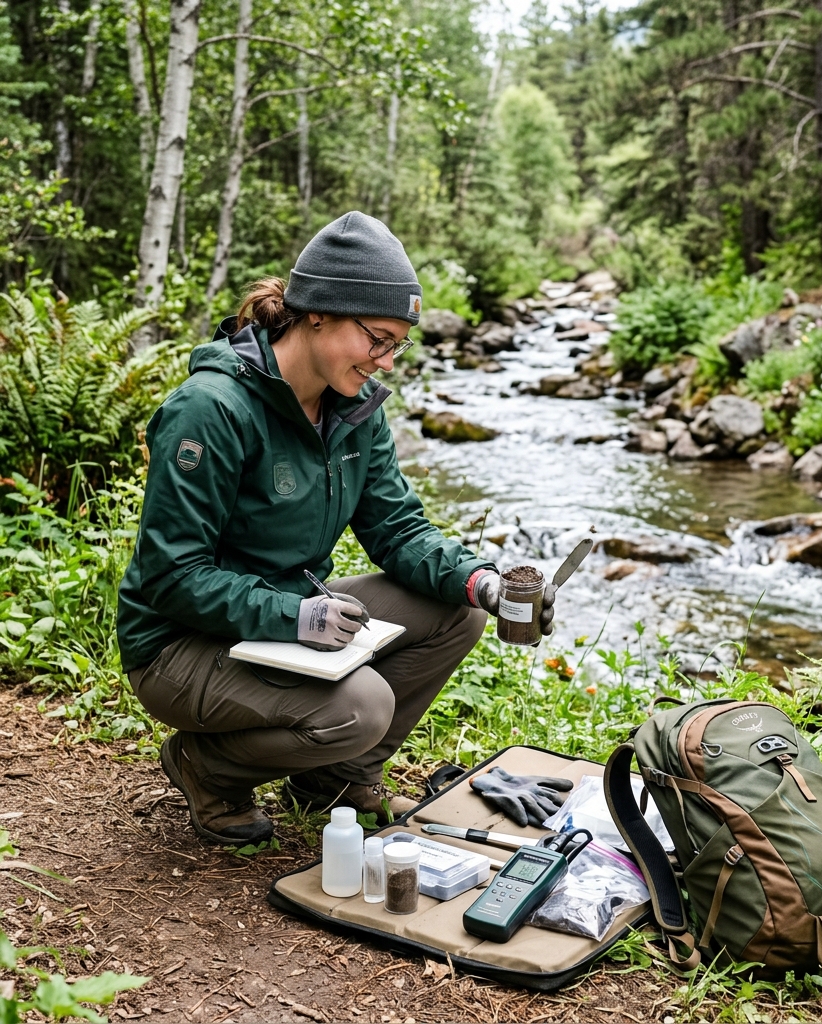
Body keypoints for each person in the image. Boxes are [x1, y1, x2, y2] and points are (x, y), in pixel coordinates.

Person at [116, 212, 555, 844]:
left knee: (457, 612)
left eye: (397, 345)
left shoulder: (354, 409)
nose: (387, 361)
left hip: (284, 616)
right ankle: (206, 768)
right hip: (178, 647)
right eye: (377, 338)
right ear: (317, 312)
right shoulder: (211, 410)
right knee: (363, 704)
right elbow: (172, 577)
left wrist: (483, 583)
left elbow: (398, 530)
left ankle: (336, 776)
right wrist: (297, 618)